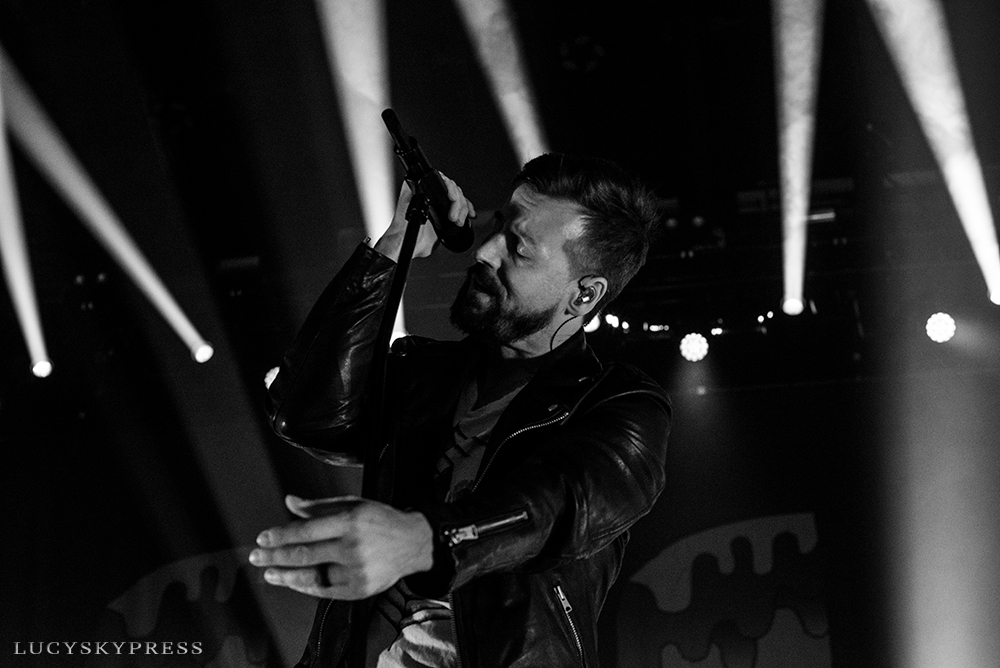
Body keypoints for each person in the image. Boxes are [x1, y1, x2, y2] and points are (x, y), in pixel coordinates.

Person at [249, 153, 672, 668]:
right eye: (497, 228)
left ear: (584, 294)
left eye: (518, 248)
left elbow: (562, 506)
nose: (486, 252)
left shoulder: (620, 405)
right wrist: (395, 247)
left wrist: (424, 540)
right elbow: (305, 415)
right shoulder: (424, 372)